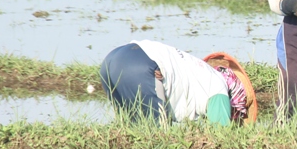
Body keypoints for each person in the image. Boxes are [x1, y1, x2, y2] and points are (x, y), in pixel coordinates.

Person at [99, 40, 256, 125]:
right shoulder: (219, 88)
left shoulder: (200, 72)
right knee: (157, 139)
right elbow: (220, 137)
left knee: (131, 129)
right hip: (141, 65)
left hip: (111, 61)